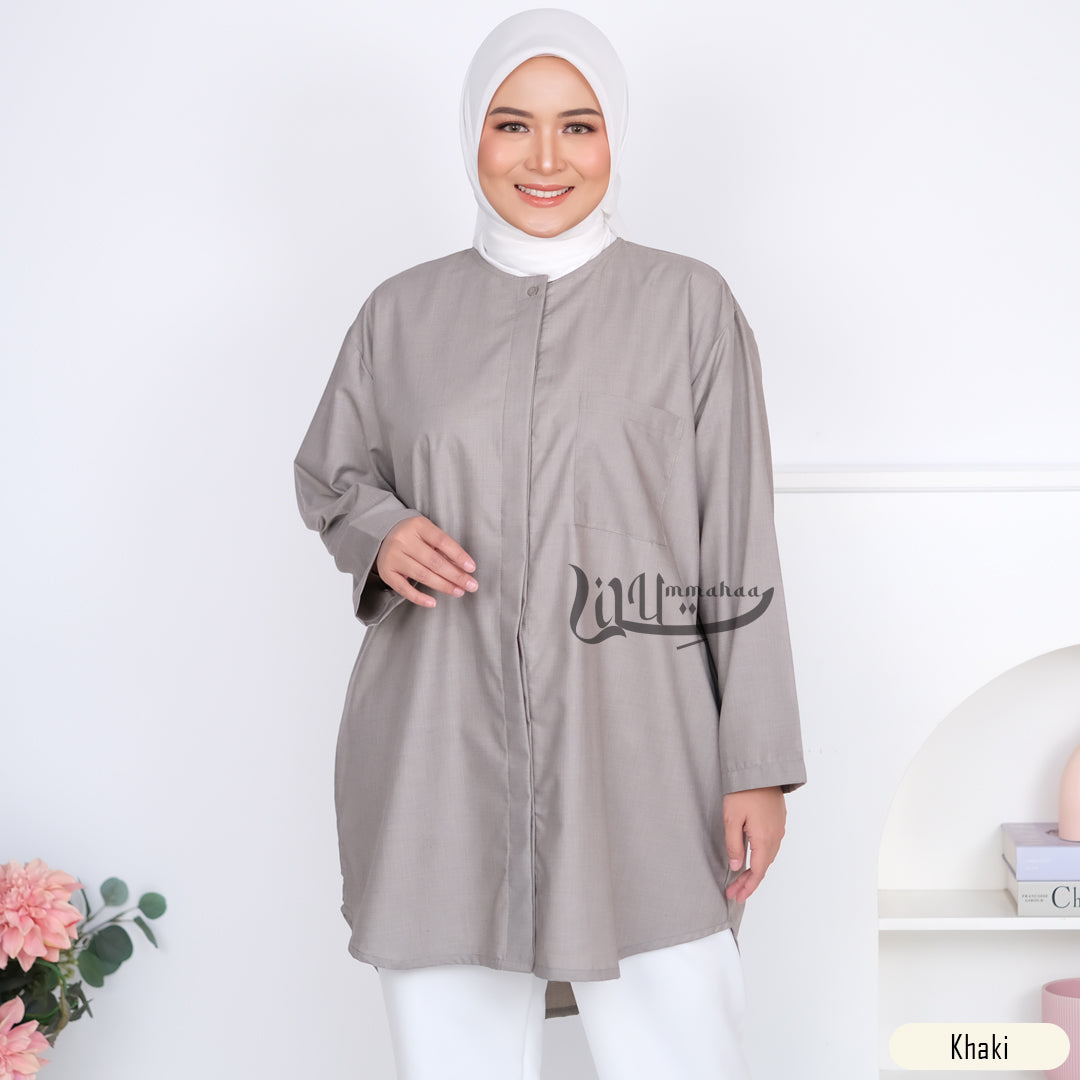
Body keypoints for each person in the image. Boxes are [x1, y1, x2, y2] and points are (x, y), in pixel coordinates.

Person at [292, 9, 808, 1079]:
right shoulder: (401, 314)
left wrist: (754, 768)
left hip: (644, 753)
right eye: (511, 124)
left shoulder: (690, 307)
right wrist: (383, 534)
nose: (544, 159)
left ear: (615, 135)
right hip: (438, 749)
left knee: (679, 1044)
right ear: (472, 136)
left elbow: (738, 547)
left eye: (578, 126)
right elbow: (333, 477)